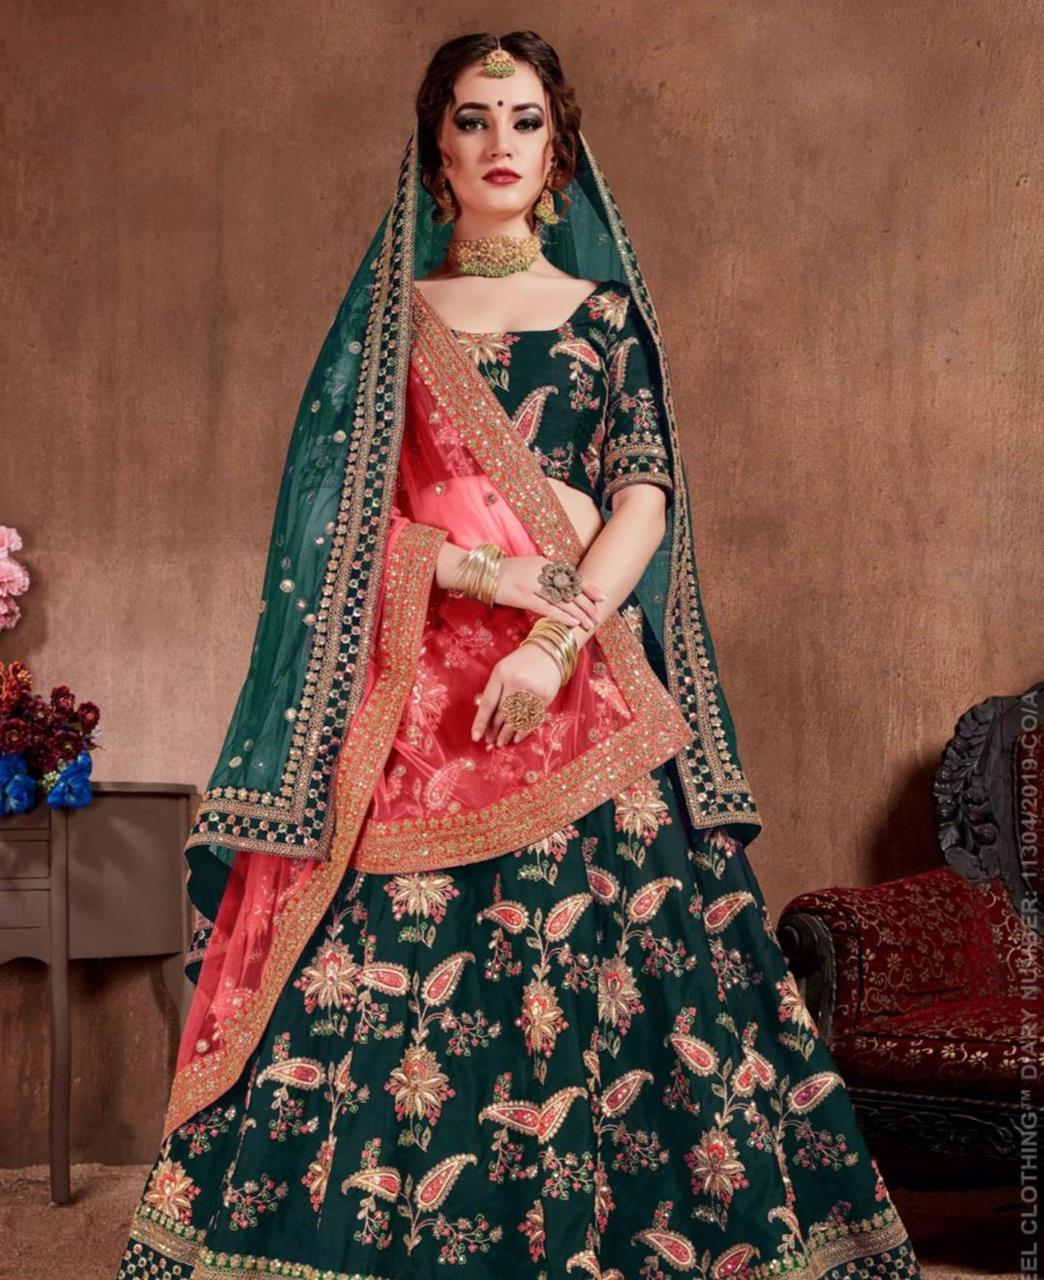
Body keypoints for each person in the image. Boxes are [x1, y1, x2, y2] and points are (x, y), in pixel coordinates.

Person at [116, 30, 923, 1280]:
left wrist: (552, 642)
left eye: (527, 120)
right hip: (418, 695)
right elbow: (333, 524)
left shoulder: (605, 320)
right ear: (434, 150)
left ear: (561, 152)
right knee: (388, 973)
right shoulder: (390, 329)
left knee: (638, 973)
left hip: (585, 675)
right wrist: (482, 572)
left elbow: (644, 499)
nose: (501, 142)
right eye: (474, 118)